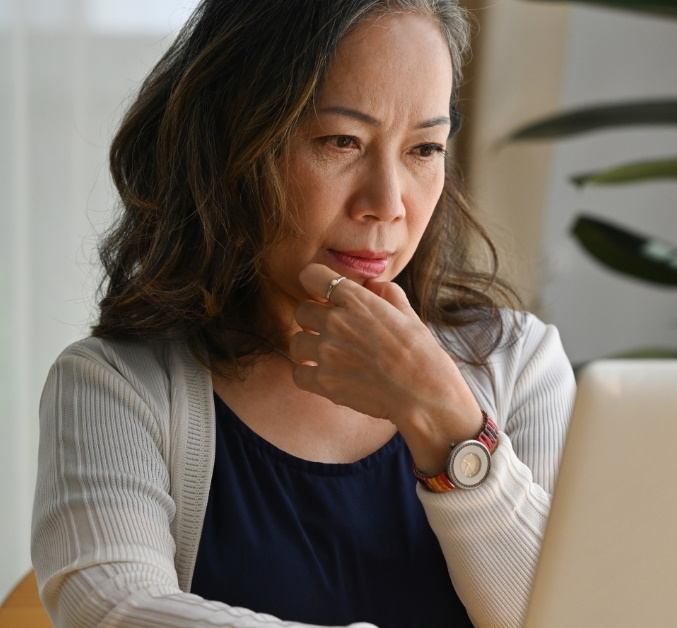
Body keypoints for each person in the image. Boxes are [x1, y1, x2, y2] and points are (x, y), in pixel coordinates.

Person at [30, 1, 575, 627]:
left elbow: (572, 614)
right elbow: (111, 608)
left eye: (424, 149)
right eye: (341, 141)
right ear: (233, 147)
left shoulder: (518, 361)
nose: (387, 203)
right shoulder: (117, 384)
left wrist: (450, 426)